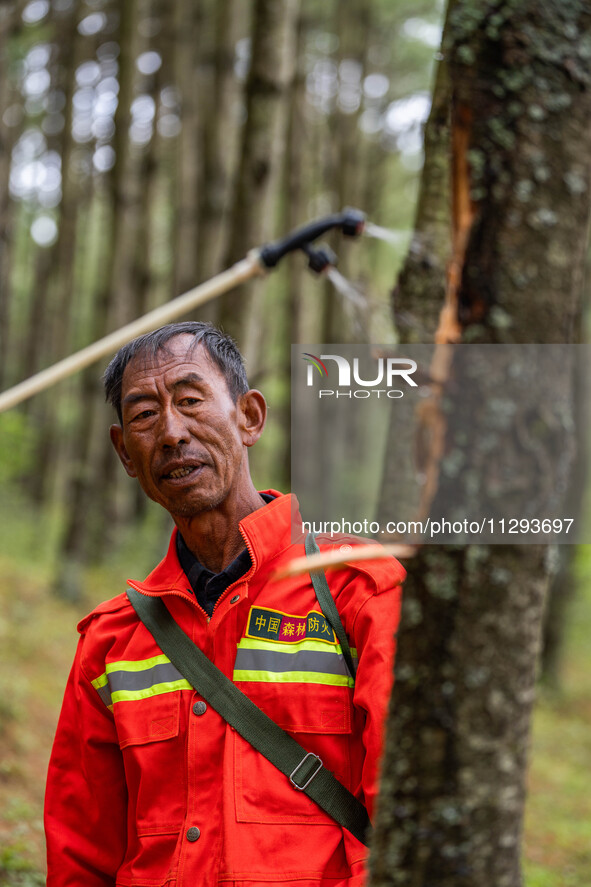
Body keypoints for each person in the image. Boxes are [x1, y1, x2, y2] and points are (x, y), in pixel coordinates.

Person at [44, 321, 405, 887]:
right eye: (143, 415)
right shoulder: (111, 642)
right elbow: (81, 852)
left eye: (191, 401)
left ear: (249, 417)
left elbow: (406, 819)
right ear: (125, 454)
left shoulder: (360, 590)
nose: (170, 433)